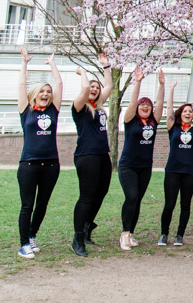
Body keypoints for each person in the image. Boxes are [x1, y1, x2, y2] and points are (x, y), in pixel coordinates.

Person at [15, 47, 63, 259]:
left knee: (42, 203)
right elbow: (21, 85)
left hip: (51, 164)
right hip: (29, 165)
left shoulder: (53, 110)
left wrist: (52, 64)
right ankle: (23, 244)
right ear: (35, 95)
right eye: (42, 91)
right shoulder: (26, 110)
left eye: (48, 91)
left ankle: (33, 236)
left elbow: (60, 84)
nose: (46, 94)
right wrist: (24, 63)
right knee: (28, 204)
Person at [70, 54, 114, 257]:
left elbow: (109, 87)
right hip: (86, 156)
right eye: (92, 87)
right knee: (87, 196)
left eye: (97, 88)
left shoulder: (99, 108)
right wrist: (84, 74)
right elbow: (86, 89)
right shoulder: (79, 108)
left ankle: (87, 226)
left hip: (102, 155)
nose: (95, 90)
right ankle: (77, 238)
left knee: (101, 192)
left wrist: (106, 66)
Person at [117, 66, 165, 250]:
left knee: (137, 200)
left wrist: (161, 85)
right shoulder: (130, 120)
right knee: (131, 197)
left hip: (145, 167)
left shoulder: (153, 121)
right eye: (142, 104)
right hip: (128, 166)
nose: (145, 107)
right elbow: (131, 104)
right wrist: (137, 82)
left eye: (148, 105)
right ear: (138, 108)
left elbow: (160, 103)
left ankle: (131, 233)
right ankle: (124, 234)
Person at [158, 77, 193, 247]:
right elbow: (170, 110)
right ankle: (164, 234)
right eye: (186, 111)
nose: (189, 113)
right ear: (181, 114)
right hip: (172, 170)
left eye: (191, 112)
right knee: (169, 204)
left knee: (185, 205)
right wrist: (171, 89)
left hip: (190, 172)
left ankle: (179, 235)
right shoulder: (173, 127)